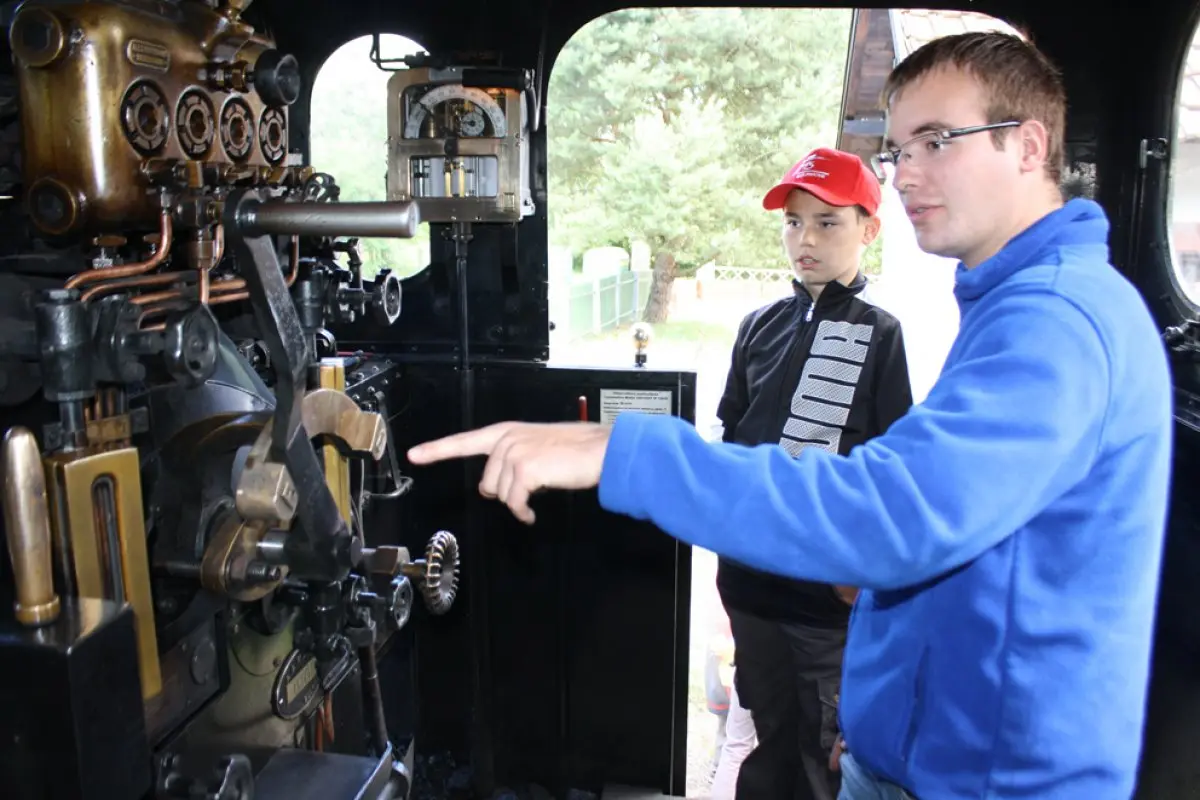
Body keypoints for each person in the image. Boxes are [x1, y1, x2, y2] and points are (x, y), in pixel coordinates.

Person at [407, 30, 1173, 800]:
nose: (907, 173)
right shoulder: (1010, 305)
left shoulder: (1057, 321)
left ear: (1028, 146)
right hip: (917, 753)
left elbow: (892, 514)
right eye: (898, 150)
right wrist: (871, 721)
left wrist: (622, 452)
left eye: (937, 141)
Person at [716, 147, 912, 800]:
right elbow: (733, 438)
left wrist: (855, 575)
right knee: (768, 733)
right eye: (794, 222)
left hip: (823, 601)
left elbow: (888, 469)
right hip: (751, 587)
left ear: (868, 230)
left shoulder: (881, 335)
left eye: (828, 223)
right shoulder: (758, 327)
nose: (806, 239)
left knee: (821, 752)